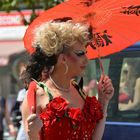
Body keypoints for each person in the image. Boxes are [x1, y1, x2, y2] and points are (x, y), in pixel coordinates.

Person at [22, 20, 114, 140]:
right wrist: (32, 135)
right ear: (62, 58)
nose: (86, 60)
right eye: (80, 53)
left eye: (85, 53)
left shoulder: (79, 91)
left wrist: (104, 101)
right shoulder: (36, 95)